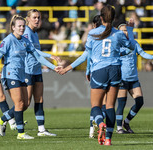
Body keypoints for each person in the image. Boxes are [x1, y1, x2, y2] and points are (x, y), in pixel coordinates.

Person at [57, 5, 137, 145]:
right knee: (111, 106)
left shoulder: (93, 33)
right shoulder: (118, 34)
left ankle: (100, 123)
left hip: (99, 70)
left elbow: (85, 56)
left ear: (101, 18)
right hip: (115, 70)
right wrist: (129, 30)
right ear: (114, 18)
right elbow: (131, 47)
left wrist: (67, 68)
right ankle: (108, 140)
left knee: (96, 106)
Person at [0, 15, 60, 140]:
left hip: (21, 75)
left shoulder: (24, 40)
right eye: (19, 26)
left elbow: (37, 57)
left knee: (24, 104)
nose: (22, 28)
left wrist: (53, 67)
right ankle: (21, 133)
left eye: (23, 26)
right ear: (13, 27)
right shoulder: (8, 40)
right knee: (19, 103)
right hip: (11, 74)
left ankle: (1, 121)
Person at [23, 9, 61, 136]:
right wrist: (51, 57)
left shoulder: (34, 33)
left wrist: (50, 64)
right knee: (25, 102)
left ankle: (41, 129)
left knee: (39, 99)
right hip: (27, 70)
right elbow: (35, 52)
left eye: (38, 17)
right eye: (34, 17)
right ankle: (3, 119)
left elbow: (37, 56)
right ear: (28, 19)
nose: (37, 20)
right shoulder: (26, 32)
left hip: (37, 70)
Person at [115, 22, 153, 134]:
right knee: (121, 104)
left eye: (126, 30)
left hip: (133, 78)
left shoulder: (134, 43)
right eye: (122, 30)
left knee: (139, 101)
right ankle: (119, 128)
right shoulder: (116, 45)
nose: (125, 32)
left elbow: (143, 53)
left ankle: (126, 122)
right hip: (122, 78)